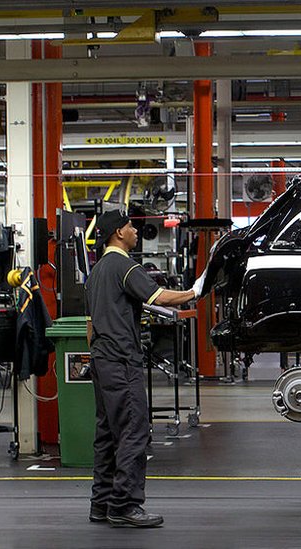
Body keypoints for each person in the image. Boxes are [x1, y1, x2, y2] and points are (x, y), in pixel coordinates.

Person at [85, 210, 207, 528]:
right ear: (117, 233)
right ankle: (124, 505)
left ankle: (101, 504)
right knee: (133, 432)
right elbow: (160, 296)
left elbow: (89, 325)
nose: (135, 231)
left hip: (101, 361)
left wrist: (98, 355)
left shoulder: (96, 271)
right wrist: (196, 291)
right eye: (129, 226)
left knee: (107, 435)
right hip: (123, 362)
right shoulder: (124, 266)